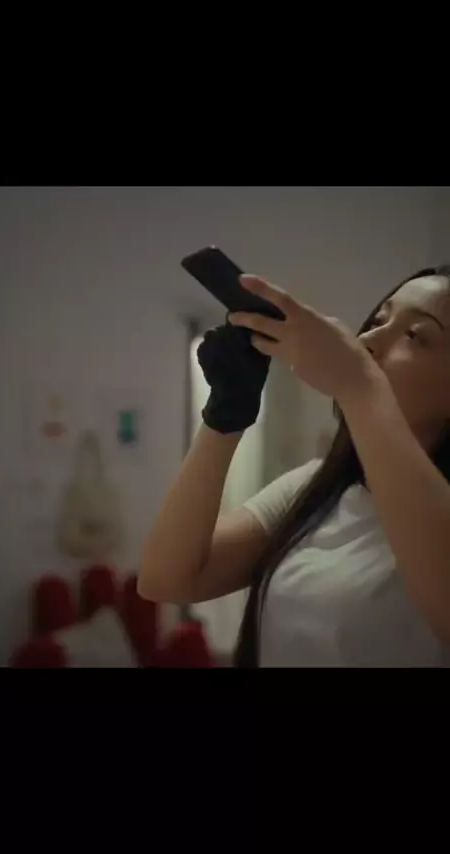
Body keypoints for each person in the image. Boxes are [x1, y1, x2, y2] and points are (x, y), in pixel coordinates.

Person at [138, 266, 450, 667]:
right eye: (377, 321)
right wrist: (225, 414)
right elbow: (167, 579)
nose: (368, 342)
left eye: (415, 336)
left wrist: (358, 385)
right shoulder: (316, 486)